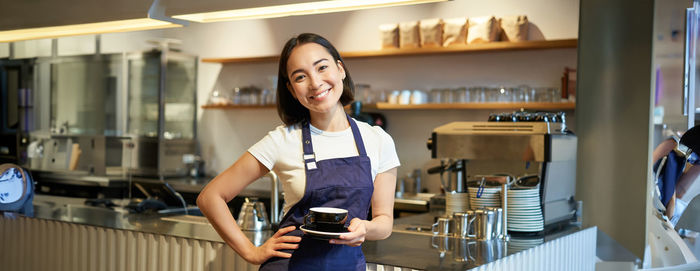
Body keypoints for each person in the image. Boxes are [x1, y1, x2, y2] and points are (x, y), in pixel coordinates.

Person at [197, 33, 400, 271]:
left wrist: (365, 228)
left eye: (322, 68)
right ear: (292, 90)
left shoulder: (378, 140)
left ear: (340, 69)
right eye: (300, 77)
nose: (315, 83)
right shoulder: (282, 140)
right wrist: (251, 252)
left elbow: (384, 223)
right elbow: (210, 197)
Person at [652, 125, 700, 225]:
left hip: (664, 206)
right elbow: (646, 171)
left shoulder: (692, 161)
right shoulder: (672, 145)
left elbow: (680, 190)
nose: (691, 162)